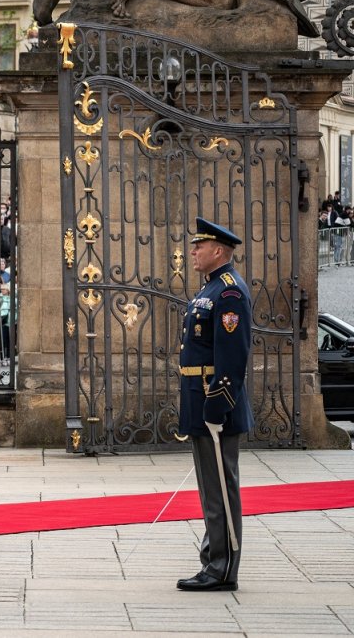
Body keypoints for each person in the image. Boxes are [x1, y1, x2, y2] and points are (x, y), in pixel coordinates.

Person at [176, 217, 254, 593]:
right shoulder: (210, 288)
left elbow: (232, 356)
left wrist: (217, 405)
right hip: (200, 400)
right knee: (211, 488)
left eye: (199, 247)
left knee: (220, 487)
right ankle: (214, 558)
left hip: (214, 403)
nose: (193, 252)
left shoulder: (229, 293)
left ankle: (222, 567)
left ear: (218, 251)